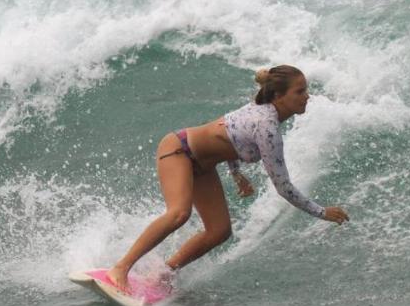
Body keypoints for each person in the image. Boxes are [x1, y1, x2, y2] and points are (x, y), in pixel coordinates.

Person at [105, 64, 349, 292]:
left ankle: (163, 275)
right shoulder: (268, 127)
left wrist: (236, 172)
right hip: (179, 150)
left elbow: (230, 131)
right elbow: (283, 187)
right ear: (278, 96)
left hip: (203, 166)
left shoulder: (262, 109)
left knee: (219, 231)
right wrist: (321, 212)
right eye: (300, 91)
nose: (307, 96)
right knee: (179, 213)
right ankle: (121, 268)